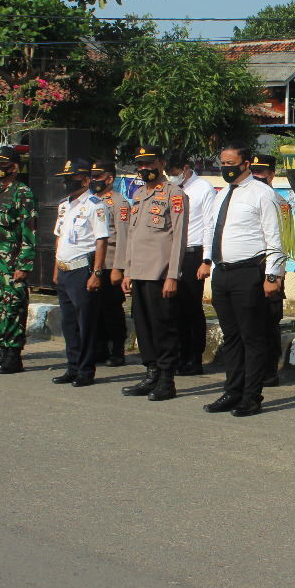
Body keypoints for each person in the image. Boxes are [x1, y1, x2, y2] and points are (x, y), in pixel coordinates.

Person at [197, 142, 284, 417]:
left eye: (231, 163)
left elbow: (275, 237)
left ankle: (252, 396)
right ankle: (233, 391)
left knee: (253, 337)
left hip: (249, 273)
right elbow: (211, 229)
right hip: (223, 274)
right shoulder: (221, 194)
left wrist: (273, 275)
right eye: (222, 163)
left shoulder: (262, 194)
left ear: (246, 163)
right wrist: (207, 260)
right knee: (231, 337)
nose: (226, 168)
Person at [119, 145, 188, 400]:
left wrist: (172, 275)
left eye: (149, 164)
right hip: (137, 272)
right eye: (140, 165)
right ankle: (151, 373)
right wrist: (126, 271)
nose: (144, 169)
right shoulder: (137, 194)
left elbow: (179, 236)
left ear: (160, 162)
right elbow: (131, 235)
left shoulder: (174, 194)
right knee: (143, 326)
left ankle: (167, 379)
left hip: (160, 274)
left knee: (163, 327)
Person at [0, 145, 37, 375]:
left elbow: (29, 231)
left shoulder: (22, 193)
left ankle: (14, 355)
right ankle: (1, 351)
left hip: (11, 264)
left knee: (13, 307)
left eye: (3, 166)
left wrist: (24, 264)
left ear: (14, 167)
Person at [52, 158, 109, 387]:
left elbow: (101, 241)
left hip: (82, 270)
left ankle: (86, 370)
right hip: (64, 270)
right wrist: (56, 268)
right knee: (68, 324)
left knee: (85, 322)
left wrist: (97, 273)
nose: (67, 182)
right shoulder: (64, 205)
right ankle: (72, 367)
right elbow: (59, 238)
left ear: (86, 180)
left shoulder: (95, 205)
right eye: (65, 178)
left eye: (72, 178)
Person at [166, 148, 216, 375]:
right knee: (174, 307)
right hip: (170, 253)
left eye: (175, 172)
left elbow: (209, 225)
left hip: (192, 253)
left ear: (186, 168)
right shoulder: (170, 189)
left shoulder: (203, 188)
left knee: (191, 307)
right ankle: (179, 354)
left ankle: (195, 357)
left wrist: (206, 260)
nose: (171, 177)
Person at [248, 154, 291, 387]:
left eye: (261, 172)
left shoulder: (278, 201)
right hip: (248, 271)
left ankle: (270, 370)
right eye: (253, 171)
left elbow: (281, 242)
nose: (256, 176)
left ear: (272, 175)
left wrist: (275, 276)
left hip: (270, 271)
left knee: (269, 323)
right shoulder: (245, 197)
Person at [89, 160, 129, 367]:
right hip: (93, 263)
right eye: (93, 177)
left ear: (109, 178)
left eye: (98, 177)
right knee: (96, 309)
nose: (94, 180)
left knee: (112, 308)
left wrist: (119, 268)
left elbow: (123, 237)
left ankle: (118, 350)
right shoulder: (89, 201)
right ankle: (100, 347)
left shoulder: (119, 203)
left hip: (110, 262)